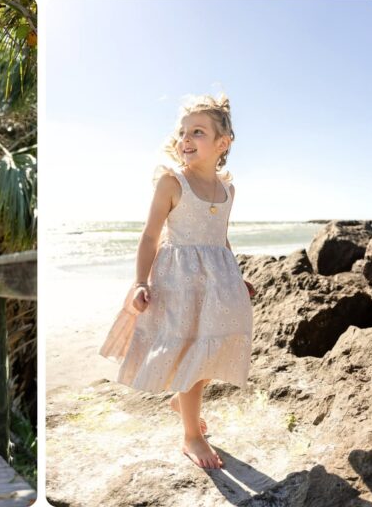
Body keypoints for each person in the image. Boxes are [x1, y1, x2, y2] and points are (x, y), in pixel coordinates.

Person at [99, 94, 256, 470]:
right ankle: (191, 435)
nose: (186, 139)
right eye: (182, 132)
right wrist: (139, 282)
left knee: (209, 346)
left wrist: (236, 278)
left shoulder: (227, 190)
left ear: (223, 143)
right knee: (190, 349)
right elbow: (150, 237)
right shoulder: (172, 183)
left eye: (197, 132)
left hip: (214, 281)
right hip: (178, 281)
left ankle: (182, 403)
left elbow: (221, 238)